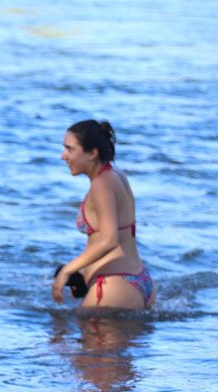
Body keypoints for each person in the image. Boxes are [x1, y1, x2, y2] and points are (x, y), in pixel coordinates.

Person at [53, 120, 154, 309]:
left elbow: (109, 240)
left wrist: (67, 271)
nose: (63, 156)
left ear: (92, 153)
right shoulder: (116, 175)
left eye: (70, 149)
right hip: (138, 279)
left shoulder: (101, 184)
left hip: (113, 287)